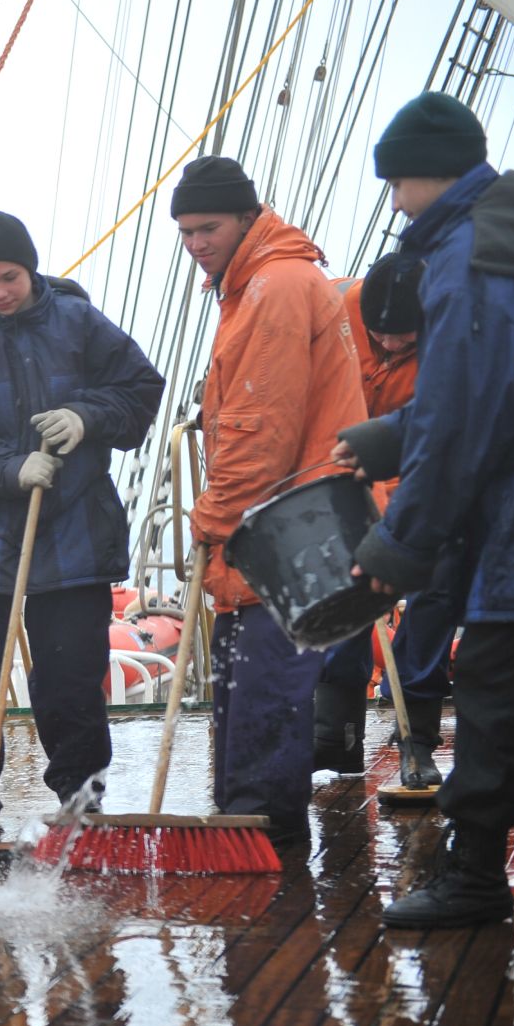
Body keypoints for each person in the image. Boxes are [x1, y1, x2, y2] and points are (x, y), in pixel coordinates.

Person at [342, 93, 514, 929]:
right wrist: (396, 433)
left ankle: (472, 881)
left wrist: (401, 542)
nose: (394, 200)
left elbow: (470, 416)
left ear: (435, 173)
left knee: (495, 692)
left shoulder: (471, 254)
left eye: (398, 181)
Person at [0, 213, 163, 842]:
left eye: (9, 276)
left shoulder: (81, 323)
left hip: (76, 532)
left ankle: (80, 796)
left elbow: (140, 391)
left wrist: (86, 416)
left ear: (30, 269)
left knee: (69, 672)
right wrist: (9, 467)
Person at [172, 156, 366, 844]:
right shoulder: (257, 285)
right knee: (248, 701)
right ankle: (250, 837)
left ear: (248, 217)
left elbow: (260, 428)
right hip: (283, 528)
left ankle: (264, 857)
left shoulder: (274, 288)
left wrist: (212, 518)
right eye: (186, 231)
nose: (196, 242)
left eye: (208, 227)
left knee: (262, 704)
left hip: (283, 534)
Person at [313, 252, 458, 783]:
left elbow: (445, 439)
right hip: (336, 467)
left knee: (437, 585)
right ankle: (334, 732)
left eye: (406, 338)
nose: (393, 347)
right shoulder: (324, 308)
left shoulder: (455, 339)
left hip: (418, 476)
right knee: (347, 575)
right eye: (381, 336)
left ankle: (416, 736)